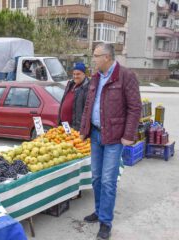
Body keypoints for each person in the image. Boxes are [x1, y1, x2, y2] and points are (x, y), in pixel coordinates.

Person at [80, 43, 141, 240]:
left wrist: (129, 135)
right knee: (96, 177)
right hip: (96, 135)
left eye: (96, 56)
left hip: (115, 137)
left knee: (108, 180)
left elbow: (135, 108)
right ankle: (99, 211)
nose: (94, 59)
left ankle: (105, 222)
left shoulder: (125, 76)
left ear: (106, 57)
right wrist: (84, 130)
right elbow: (89, 105)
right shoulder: (96, 77)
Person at [58, 62, 89, 130]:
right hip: (64, 126)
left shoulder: (87, 88)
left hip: (75, 128)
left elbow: (86, 112)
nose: (75, 76)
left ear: (84, 74)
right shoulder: (70, 85)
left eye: (78, 74)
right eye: (74, 74)